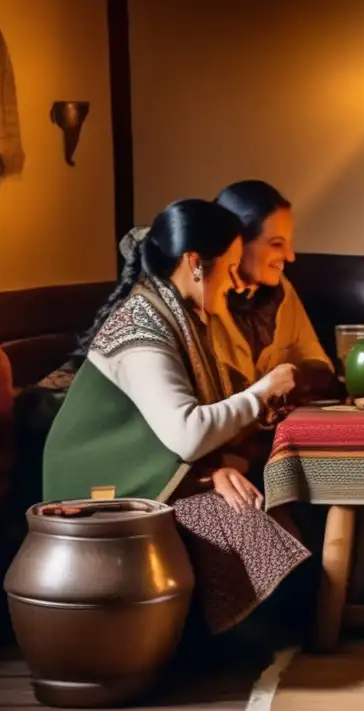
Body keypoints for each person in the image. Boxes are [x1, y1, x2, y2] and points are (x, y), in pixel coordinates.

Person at [44, 199, 311, 642]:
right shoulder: (140, 327)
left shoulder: (179, 316)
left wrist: (215, 467)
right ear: (195, 264)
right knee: (251, 532)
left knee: (267, 513)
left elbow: (182, 427)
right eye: (228, 266)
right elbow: (187, 433)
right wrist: (263, 391)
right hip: (101, 490)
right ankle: (198, 648)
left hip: (154, 472)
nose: (235, 280)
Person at [212, 180, 336, 400]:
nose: (290, 256)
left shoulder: (282, 290)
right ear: (235, 243)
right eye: (277, 244)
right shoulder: (202, 300)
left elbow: (315, 359)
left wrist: (301, 377)